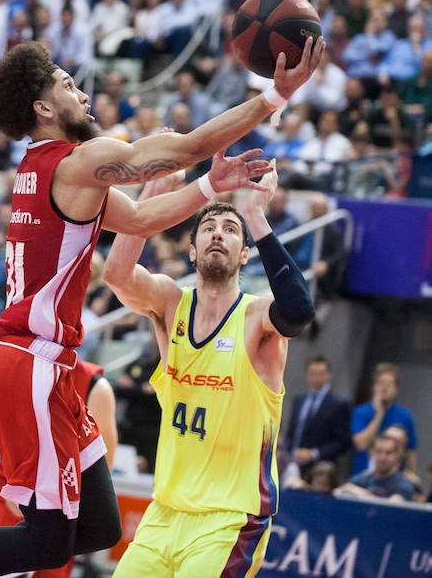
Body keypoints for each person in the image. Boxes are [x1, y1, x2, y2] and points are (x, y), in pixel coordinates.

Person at [0, 35, 323, 578]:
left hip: (40, 365)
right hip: (31, 362)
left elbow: (143, 221)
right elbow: (185, 147)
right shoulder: (80, 160)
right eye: (70, 86)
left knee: (97, 527)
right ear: (45, 109)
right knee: (50, 543)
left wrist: (209, 187)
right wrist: (272, 99)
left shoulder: (46, 169)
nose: (84, 94)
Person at [103, 163, 315, 576]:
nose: (219, 232)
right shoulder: (168, 301)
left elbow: (299, 311)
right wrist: (156, 190)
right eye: (209, 227)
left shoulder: (256, 318)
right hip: (164, 513)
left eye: (231, 229)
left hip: (231, 519)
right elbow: (116, 275)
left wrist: (254, 214)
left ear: (244, 253)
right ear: (193, 250)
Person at [0, 359, 117, 578]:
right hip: (8, 497)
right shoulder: (8, 365)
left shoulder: (95, 386)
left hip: (62, 506)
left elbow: (101, 460)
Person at [281, 355, 352, 478]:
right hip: (293, 464)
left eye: (320, 373)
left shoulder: (339, 404)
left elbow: (343, 442)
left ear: (328, 375)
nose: (316, 377)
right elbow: (292, 432)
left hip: (321, 469)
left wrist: (314, 454)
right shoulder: (299, 400)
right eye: (312, 373)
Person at [351, 362, 417, 475]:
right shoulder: (361, 412)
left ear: (396, 390)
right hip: (363, 476)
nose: (385, 388)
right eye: (381, 383)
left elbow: (411, 452)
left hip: (394, 478)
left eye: (389, 384)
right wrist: (379, 415)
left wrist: (412, 477)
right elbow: (361, 444)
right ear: (374, 387)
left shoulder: (404, 415)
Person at [334, 435, 415, 501]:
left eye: (388, 453)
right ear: (371, 453)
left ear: (397, 456)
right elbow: (338, 491)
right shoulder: (364, 478)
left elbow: (391, 507)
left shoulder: (403, 485)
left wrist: (364, 494)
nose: (383, 457)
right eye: (379, 451)